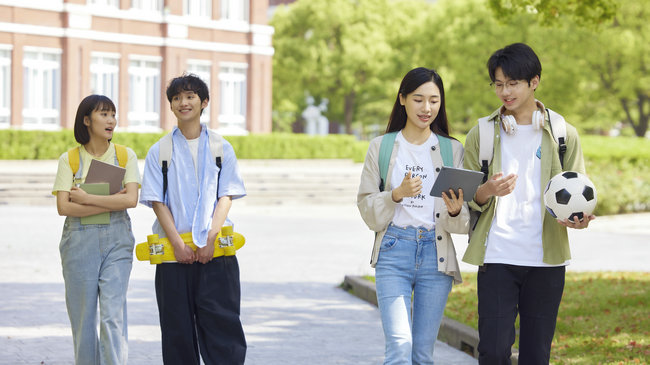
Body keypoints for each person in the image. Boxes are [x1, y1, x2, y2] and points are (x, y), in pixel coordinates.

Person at [462, 43, 595, 364]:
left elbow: (578, 192)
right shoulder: (480, 133)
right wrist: (488, 190)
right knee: (492, 352)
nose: (504, 91)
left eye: (513, 83)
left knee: (537, 354)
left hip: (545, 261)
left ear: (534, 81)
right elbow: (468, 197)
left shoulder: (564, 134)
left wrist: (580, 219)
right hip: (497, 257)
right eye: (498, 84)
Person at [357, 67, 469, 364]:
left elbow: (462, 219)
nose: (427, 108)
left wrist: (456, 210)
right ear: (403, 99)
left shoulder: (452, 149)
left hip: (436, 252)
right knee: (399, 345)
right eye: (418, 99)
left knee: (422, 352)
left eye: (434, 100)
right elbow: (367, 209)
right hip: (394, 250)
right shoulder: (381, 147)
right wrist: (395, 194)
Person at [139, 74, 247, 364]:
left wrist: (210, 239)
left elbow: (226, 196)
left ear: (204, 102)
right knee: (177, 337)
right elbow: (157, 201)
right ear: (171, 106)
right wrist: (178, 244)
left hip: (217, 256)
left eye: (190, 96)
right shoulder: (159, 151)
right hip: (174, 258)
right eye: (176, 98)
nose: (183, 102)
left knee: (223, 334)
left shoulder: (221, 147)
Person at [53, 94, 140, 364]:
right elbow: (64, 208)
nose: (111, 120)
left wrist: (87, 198)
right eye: (104, 114)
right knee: (83, 320)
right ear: (87, 120)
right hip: (79, 242)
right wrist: (111, 201)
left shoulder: (126, 156)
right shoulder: (70, 160)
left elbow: (131, 200)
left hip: (118, 242)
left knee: (113, 316)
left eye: (113, 114)